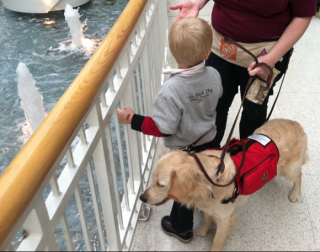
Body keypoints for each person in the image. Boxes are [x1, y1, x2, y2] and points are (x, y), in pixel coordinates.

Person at [117, 17, 223, 243]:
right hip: (210, 140)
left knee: (181, 189)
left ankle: (181, 227)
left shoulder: (171, 89)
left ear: (173, 53)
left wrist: (131, 119)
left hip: (186, 151)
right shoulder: (214, 74)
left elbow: (162, 127)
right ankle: (209, 207)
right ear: (207, 53)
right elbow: (219, 97)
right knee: (205, 177)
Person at [170, 0, 316, 148]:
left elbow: (303, 15)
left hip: (265, 55)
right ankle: (207, 161)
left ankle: (248, 163)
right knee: (212, 107)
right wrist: (198, 3)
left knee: (253, 113)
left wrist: (272, 59)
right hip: (220, 48)